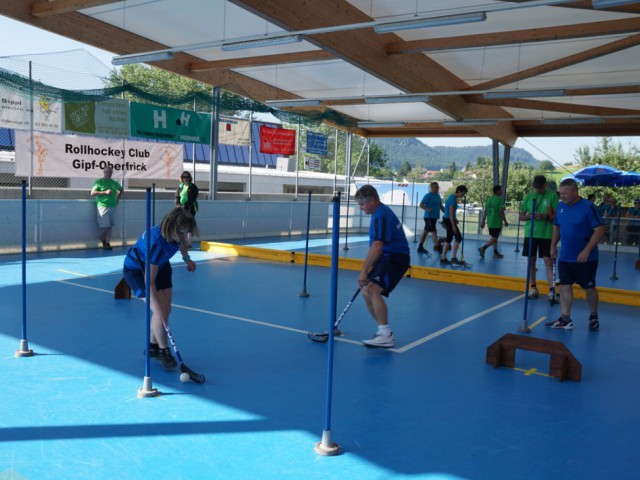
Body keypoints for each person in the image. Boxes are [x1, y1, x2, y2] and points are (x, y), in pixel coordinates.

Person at [123, 208, 199, 369]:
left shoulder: (177, 233)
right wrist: (159, 312)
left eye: (186, 232)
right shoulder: (156, 244)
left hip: (161, 265)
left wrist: (187, 259)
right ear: (172, 227)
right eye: (182, 232)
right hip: (138, 271)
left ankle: (152, 346)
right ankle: (163, 351)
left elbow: (182, 242)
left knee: (166, 310)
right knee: (160, 312)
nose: (185, 236)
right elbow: (149, 282)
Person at [355, 185, 410, 349]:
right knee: (366, 292)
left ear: (371, 200)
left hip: (395, 258)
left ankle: (385, 335)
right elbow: (376, 248)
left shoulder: (381, 215)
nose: (361, 208)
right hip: (385, 258)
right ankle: (384, 332)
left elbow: (378, 246)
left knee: (373, 290)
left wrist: (364, 271)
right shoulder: (377, 214)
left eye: (362, 204)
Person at [549, 178, 605, 331]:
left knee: (589, 288)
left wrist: (587, 250)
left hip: (586, 258)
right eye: (560, 193)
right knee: (564, 286)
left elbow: (599, 230)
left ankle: (593, 316)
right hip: (565, 256)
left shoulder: (588, 207)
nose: (562, 196)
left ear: (574, 191)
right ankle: (565, 319)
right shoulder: (561, 206)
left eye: (565, 193)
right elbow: (556, 227)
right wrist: (553, 246)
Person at [519, 175, 558, 300]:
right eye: (536, 187)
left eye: (540, 187)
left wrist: (545, 216)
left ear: (545, 185)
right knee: (531, 260)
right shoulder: (529, 197)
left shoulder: (552, 196)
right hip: (530, 233)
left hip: (546, 234)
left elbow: (557, 217)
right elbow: (521, 216)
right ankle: (533, 287)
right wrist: (530, 216)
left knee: (548, 261)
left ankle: (552, 290)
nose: (538, 190)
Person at [91, 165, 122, 250]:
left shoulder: (114, 182)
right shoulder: (99, 182)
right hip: (103, 206)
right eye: (107, 172)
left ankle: (107, 243)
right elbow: (92, 193)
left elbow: (121, 189)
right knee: (104, 226)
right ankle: (103, 238)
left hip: (113, 206)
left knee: (110, 226)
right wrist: (105, 192)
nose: (108, 173)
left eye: (110, 172)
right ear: (104, 172)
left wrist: (117, 199)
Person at [440, 185, 468, 265]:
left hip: (448, 219)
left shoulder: (452, 198)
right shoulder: (452, 199)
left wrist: (455, 220)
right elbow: (451, 214)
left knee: (449, 238)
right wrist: (453, 226)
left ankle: (443, 257)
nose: (463, 195)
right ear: (458, 191)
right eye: (463, 193)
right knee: (458, 237)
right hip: (448, 220)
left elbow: (451, 213)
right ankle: (453, 258)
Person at [478, 185, 508, 259]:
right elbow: (501, 212)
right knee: (494, 238)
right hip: (496, 222)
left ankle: (495, 252)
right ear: (498, 191)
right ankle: (483, 248)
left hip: (490, 222)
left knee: (495, 237)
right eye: (501, 190)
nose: (502, 191)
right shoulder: (499, 200)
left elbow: (485, 211)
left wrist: (483, 221)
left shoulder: (489, 200)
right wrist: (505, 221)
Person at [417, 181, 443, 255]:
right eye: (435, 187)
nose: (437, 188)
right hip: (429, 216)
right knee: (434, 231)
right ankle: (438, 247)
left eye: (438, 187)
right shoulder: (428, 195)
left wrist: (447, 212)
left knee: (426, 231)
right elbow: (421, 204)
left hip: (435, 217)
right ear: (431, 188)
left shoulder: (438, 196)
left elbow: (440, 206)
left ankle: (420, 247)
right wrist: (427, 208)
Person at [174, 170, 199, 248]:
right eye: (184, 177)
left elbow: (193, 198)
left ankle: (189, 243)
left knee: (189, 225)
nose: (185, 178)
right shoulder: (180, 187)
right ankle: (182, 242)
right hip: (181, 209)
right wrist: (178, 205)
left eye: (187, 177)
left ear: (189, 178)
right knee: (180, 224)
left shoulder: (193, 187)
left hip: (190, 208)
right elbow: (176, 197)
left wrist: (185, 205)